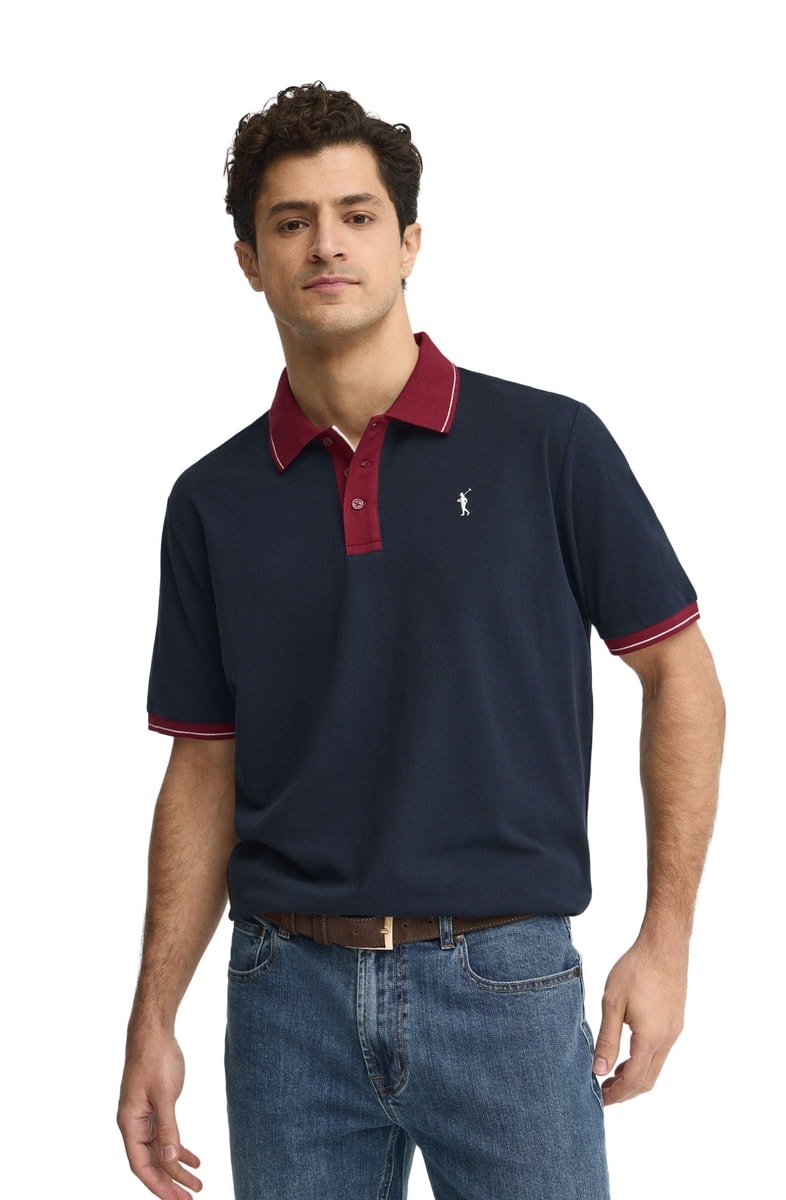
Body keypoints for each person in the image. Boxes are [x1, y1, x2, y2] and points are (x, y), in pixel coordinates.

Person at [117, 82, 725, 1200]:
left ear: (407, 243)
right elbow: (203, 765)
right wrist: (152, 1017)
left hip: (504, 981)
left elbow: (676, 672)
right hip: (283, 997)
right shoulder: (211, 501)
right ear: (249, 260)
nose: (325, 244)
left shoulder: (548, 444)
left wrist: (667, 935)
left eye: (356, 215)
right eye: (291, 221)